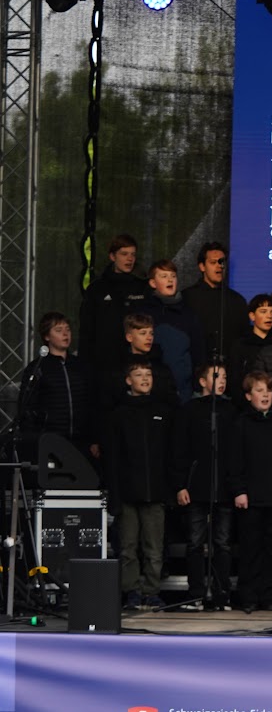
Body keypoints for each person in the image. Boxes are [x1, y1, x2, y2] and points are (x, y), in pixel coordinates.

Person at [170, 362, 239, 611]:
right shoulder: (189, 410)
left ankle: (222, 595)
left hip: (224, 488)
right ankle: (195, 594)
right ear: (202, 381)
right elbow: (179, 450)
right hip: (196, 486)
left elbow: (236, 453)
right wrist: (181, 485)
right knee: (195, 543)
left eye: (225, 377)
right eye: (216, 376)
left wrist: (236, 486)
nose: (222, 381)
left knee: (223, 544)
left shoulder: (231, 410)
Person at [104, 360, 172, 611]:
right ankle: (131, 591)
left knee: (154, 548)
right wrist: (114, 494)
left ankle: (152, 591)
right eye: (139, 374)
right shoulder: (118, 415)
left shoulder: (163, 412)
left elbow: (171, 455)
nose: (145, 379)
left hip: (156, 491)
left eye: (148, 374)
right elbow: (112, 458)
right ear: (128, 380)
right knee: (128, 547)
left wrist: (170, 488)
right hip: (127, 493)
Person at [229, 370, 272, 613]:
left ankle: (268, 595)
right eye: (259, 390)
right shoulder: (241, 423)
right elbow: (235, 461)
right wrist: (239, 490)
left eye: (269, 391)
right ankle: (249, 596)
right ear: (248, 395)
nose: (265, 395)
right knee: (250, 550)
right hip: (251, 498)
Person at [16, 311, 96, 462]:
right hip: (50, 441)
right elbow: (26, 408)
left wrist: (94, 438)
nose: (65, 334)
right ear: (47, 336)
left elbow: (92, 402)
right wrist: (36, 439)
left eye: (67, 329)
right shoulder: (38, 368)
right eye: (59, 330)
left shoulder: (81, 366)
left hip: (81, 442)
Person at [139, 259, 207, 404]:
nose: (170, 280)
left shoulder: (189, 314)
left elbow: (198, 353)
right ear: (153, 283)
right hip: (150, 391)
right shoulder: (143, 313)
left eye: (173, 276)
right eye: (164, 276)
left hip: (183, 391)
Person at [79, 233, 149, 372]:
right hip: (104, 364)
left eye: (133, 254)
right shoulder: (97, 289)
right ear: (112, 256)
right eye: (124, 254)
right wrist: (85, 367)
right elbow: (86, 331)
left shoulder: (142, 288)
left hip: (136, 366)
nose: (129, 258)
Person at [182, 242, 247, 369]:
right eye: (213, 262)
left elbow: (243, 338)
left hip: (230, 370)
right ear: (202, 266)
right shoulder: (187, 297)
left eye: (222, 262)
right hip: (195, 368)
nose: (219, 266)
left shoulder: (237, 301)